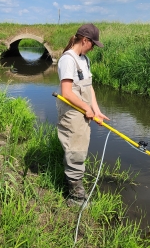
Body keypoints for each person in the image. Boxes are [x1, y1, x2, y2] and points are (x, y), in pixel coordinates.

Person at [56, 23, 109, 207]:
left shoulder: (84, 59)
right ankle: (75, 198)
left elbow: (89, 87)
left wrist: (96, 110)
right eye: (93, 44)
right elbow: (67, 92)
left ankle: (76, 190)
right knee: (75, 151)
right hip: (72, 114)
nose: (93, 48)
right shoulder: (68, 60)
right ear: (85, 40)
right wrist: (86, 109)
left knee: (81, 148)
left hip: (83, 112)